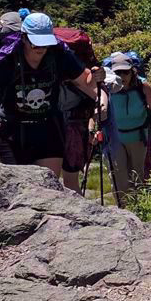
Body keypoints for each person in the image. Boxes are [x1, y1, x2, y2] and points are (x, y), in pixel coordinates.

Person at [0, 11, 96, 191]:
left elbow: (85, 81)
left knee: (47, 188)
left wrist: (99, 89)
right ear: (23, 38)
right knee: (18, 190)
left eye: (45, 43)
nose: (41, 48)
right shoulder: (7, 59)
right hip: (13, 132)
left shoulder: (59, 54)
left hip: (48, 129)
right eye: (36, 43)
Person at [100, 51, 151, 206]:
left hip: (138, 137)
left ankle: (143, 209)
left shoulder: (143, 87)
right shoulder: (106, 88)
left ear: (132, 71)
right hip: (114, 140)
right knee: (119, 177)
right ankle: (125, 211)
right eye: (118, 72)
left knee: (140, 177)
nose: (122, 76)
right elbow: (97, 110)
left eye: (126, 72)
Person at [54, 27, 104, 191]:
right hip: (76, 123)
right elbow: (98, 94)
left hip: (54, 122)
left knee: (50, 175)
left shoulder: (53, 68)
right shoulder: (82, 72)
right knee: (71, 177)